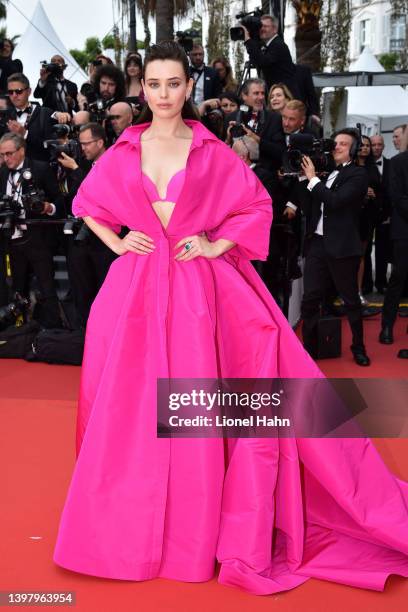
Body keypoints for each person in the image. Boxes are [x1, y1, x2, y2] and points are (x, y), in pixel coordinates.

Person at [53, 41, 408, 596]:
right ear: (140, 89)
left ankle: (195, 534)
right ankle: (125, 532)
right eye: (154, 85)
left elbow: (256, 206)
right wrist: (118, 242)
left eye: (174, 84)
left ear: (188, 87)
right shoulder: (123, 149)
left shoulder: (211, 148)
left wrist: (216, 245)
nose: (164, 94)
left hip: (198, 293)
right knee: (130, 410)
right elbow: (87, 203)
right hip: (137, 293)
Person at [299, 128, 371, 366]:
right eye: (335, 142)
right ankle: (307, 350)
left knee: (350, 301)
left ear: (352, 149)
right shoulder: (326, 173)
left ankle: (359, 347)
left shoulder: (358, 175)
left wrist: (312, 179)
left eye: (343, 144)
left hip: (342, 247)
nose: (336, 147)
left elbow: (336, 201)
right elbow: (313, 201)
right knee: (310, 298)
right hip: (317, 244)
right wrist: (303, 178)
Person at [0, 132, 62, 328]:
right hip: (11, 240)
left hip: (38, 239)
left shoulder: (41, 169)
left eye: (9, 153)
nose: (5, 158)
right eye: (2, 154)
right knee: (17, 288)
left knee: (47, 287)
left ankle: (54, 331)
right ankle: (18, 331)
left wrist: (47, 208)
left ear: (22, 151)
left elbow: (60, 201)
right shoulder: (2, 173)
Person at [370, 134, 391, 294]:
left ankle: (382, 283)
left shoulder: (392, 164)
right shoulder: (364, 165)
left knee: (383, 250)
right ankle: (366, 284)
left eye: (379, 144)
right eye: (374, 144)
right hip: (367, 215)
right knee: (364, 252)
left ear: (383, 146)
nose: (377, 147)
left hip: (386, 215)